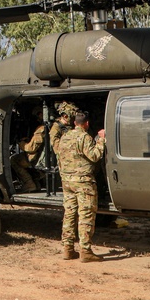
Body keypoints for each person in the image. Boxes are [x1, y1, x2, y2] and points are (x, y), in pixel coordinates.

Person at [54, 110, 106, 262]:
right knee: (86, 215)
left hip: (67, 181)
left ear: (74, 123)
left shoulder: (65, 137)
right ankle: (85, 251)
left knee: (69, 214)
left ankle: (67, 249)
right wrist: (101, 140)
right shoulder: (84, 137)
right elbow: (95, 156)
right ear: (87, 124)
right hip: (83, 182)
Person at [11, 106, 46, 192]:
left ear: (41, 114)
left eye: (37, 115)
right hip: (45, 157)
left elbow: (30, 148)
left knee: (13, 160)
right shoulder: (54, 127)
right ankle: (36, 184)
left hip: (39, 159)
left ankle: (29, 183)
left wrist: (21, 143)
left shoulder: (42, 129)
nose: (37, 118)